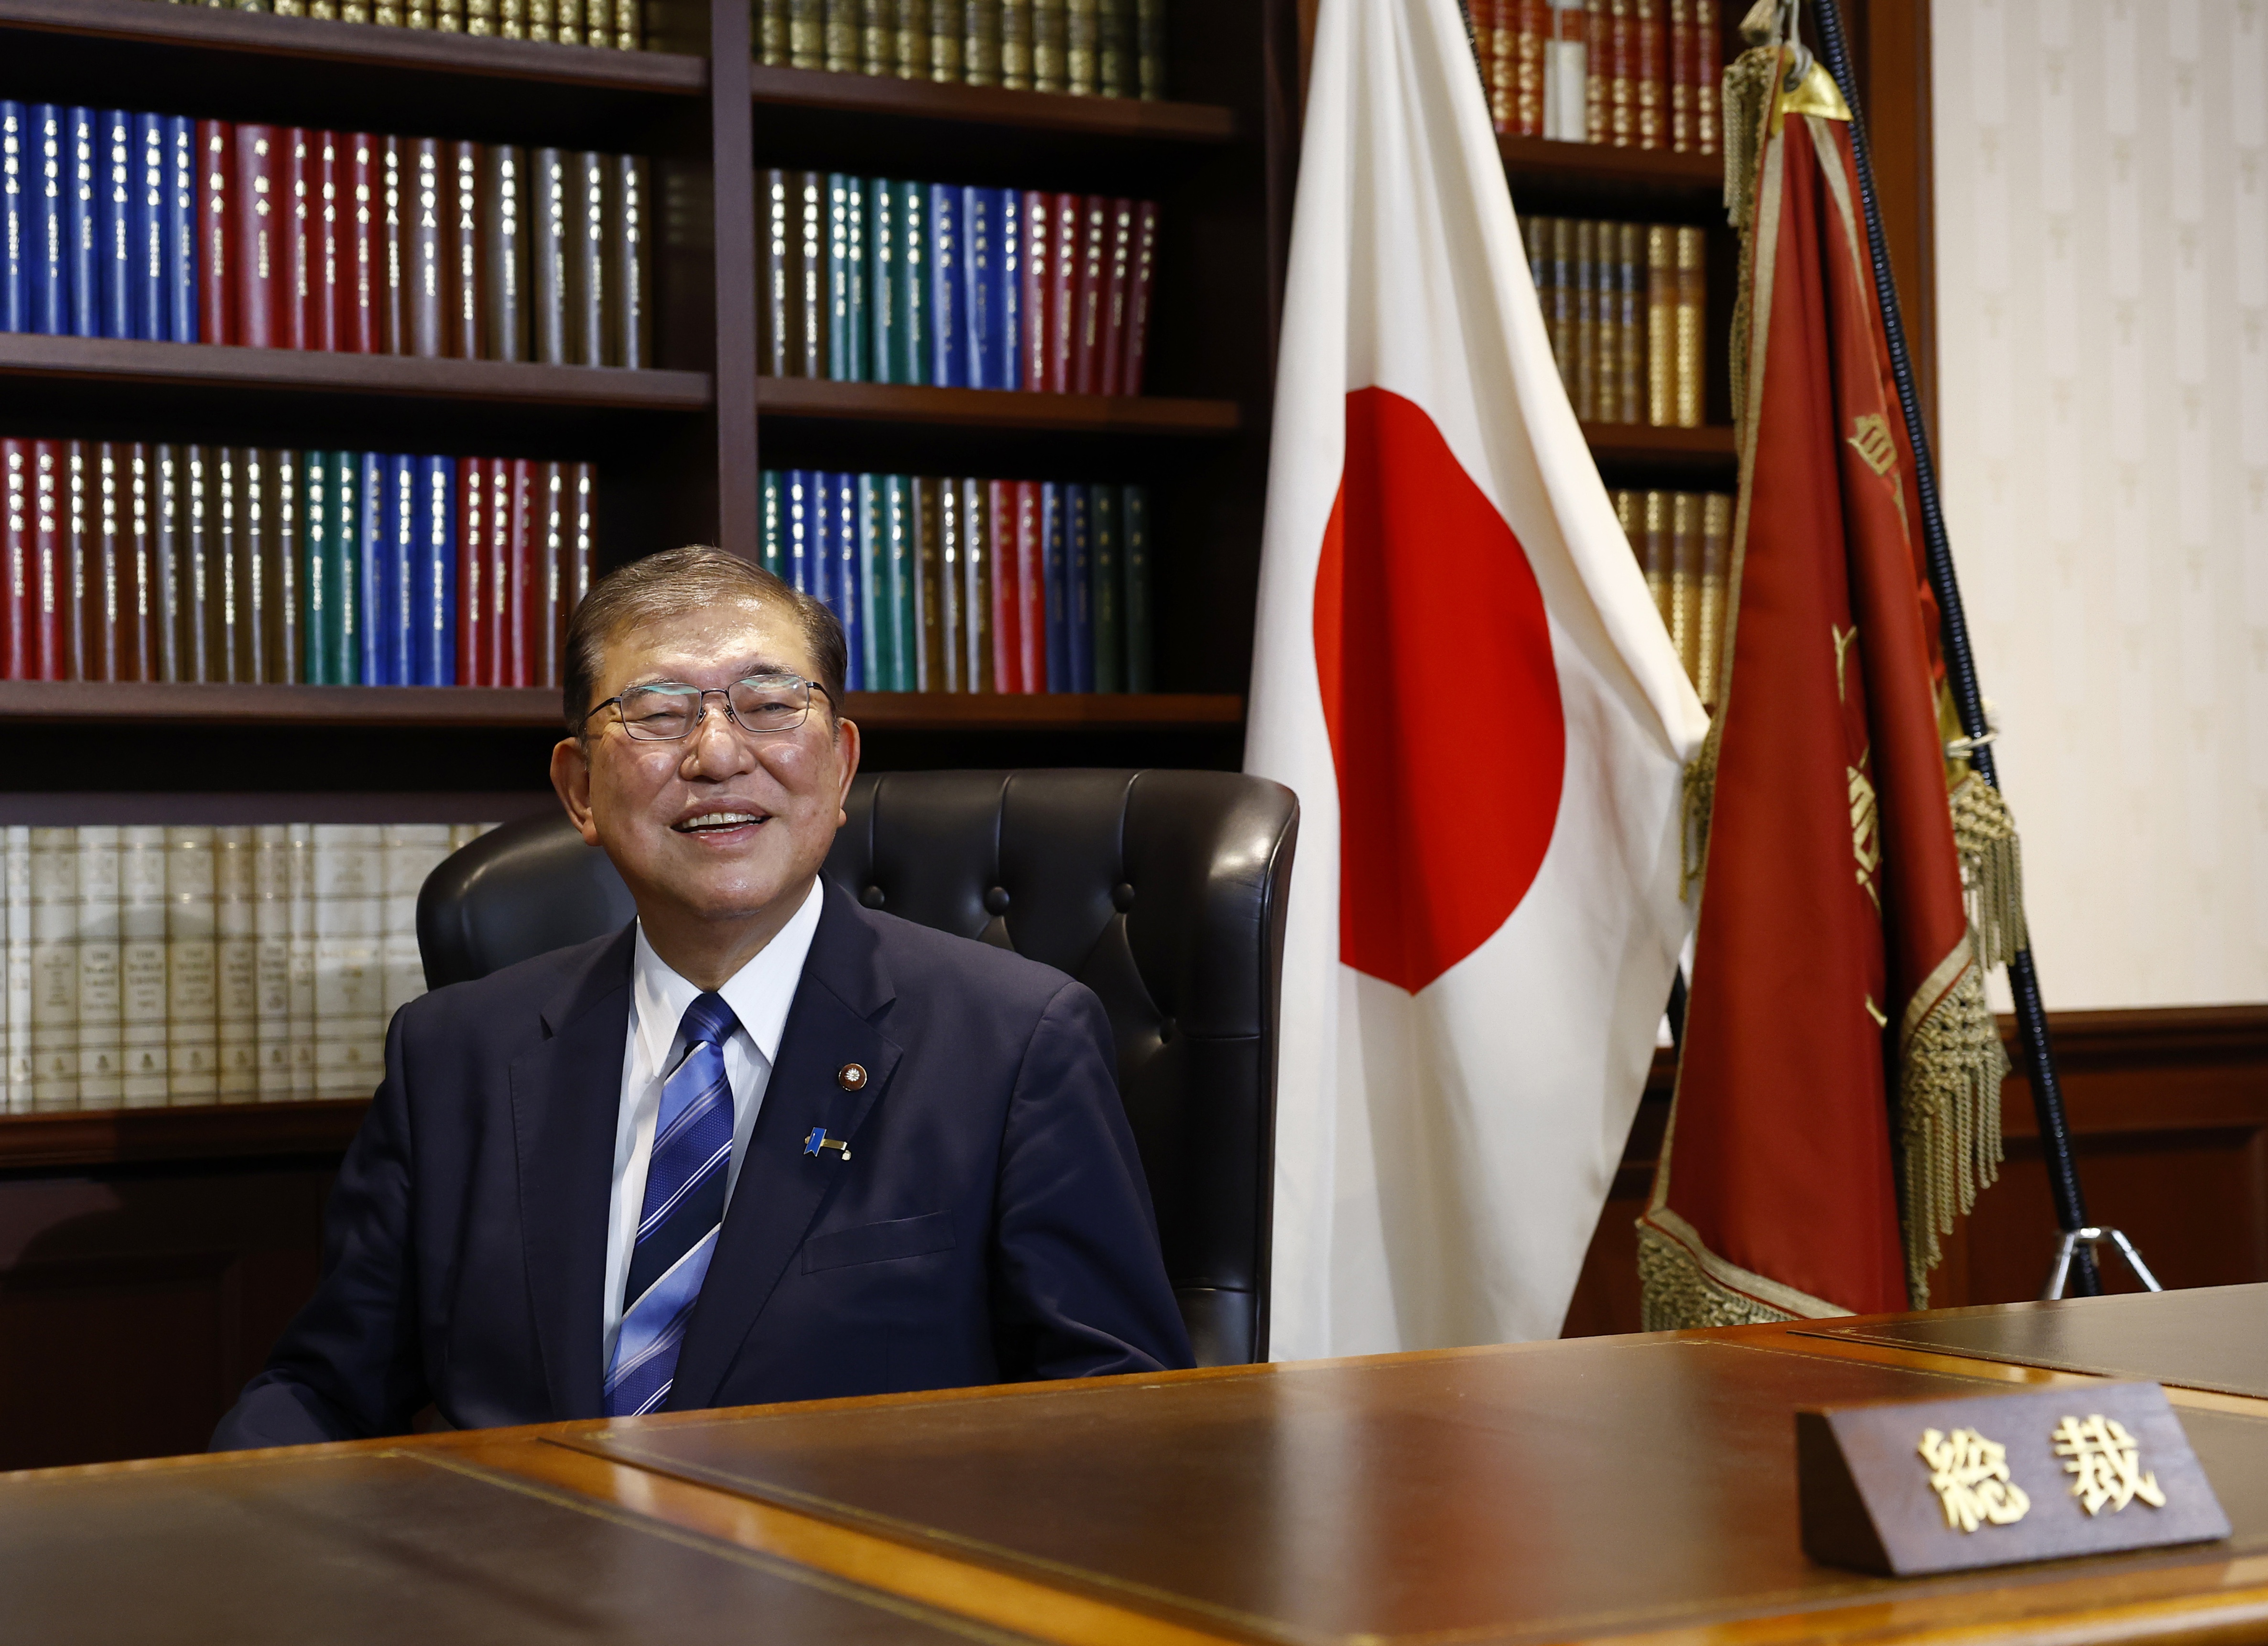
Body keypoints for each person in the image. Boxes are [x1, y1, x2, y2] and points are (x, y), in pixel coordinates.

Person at [212, 546, 1192, 1448]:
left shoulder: (1015, 1043)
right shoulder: (455, 1054)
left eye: (770, 705)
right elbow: (323, 1390)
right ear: (580, 790)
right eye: (658, 710)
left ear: (842, 763)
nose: (718, 755)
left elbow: (1116, 1416)